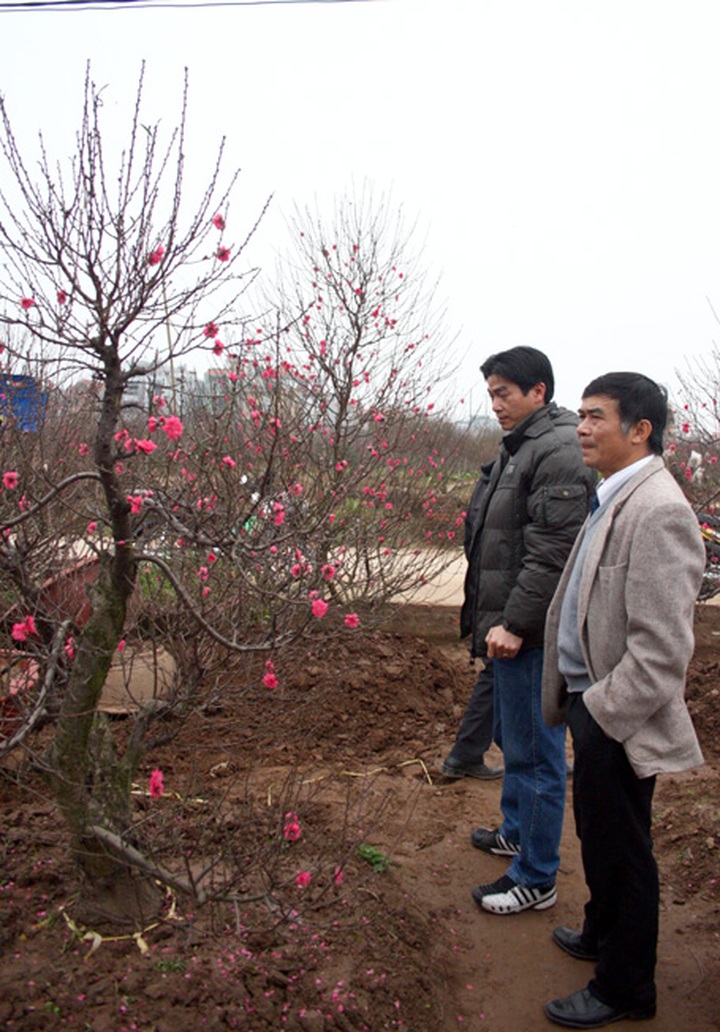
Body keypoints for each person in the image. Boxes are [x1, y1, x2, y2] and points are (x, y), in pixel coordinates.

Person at [542, 372, 705, 1028]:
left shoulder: (659, 508)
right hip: (596, 701)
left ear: (639, 430)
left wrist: (603, 714)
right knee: (599, 836)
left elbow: (664, 651)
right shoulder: (615, 495)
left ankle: (625, 987)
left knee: (624, 849)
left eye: (595, 417)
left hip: (618, 714)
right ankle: (600, 932)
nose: (581, 427)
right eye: (579, 415)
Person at [465, 346, 595, 914]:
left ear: (538, 391)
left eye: (504, 393)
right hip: (510, 625)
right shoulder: (524, 444)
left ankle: (536, 876)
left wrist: (515, 624)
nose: (495, 404)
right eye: (490, 394)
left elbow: (551, 552)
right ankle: (516, 832)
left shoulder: (559, 449)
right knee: (516, 745)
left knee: (538, 756)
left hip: (533, 633)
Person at [441, 461, 503, 781]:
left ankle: (467, 753)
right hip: (505, 597)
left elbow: (471, 539)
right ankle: (465, 753)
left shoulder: (489, 476)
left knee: (502, 675)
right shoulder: (501, 478)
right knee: (503, 673)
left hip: (490, 592)